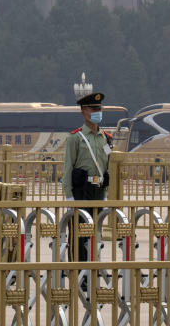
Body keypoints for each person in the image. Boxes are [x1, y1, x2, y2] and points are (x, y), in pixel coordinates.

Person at [62, 91, 113, 262]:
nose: (97, 112)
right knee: (79, 233)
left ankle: (92, 269)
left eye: (99, 109)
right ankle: (78, 272)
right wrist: (69, 197)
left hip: (98, 191)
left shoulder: (106, 138)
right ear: (83, 111)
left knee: (94, 233)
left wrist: (105, 193)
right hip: (81, 192)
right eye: (93, 109)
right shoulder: (75, 138)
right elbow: (68, 168)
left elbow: (107, 166)